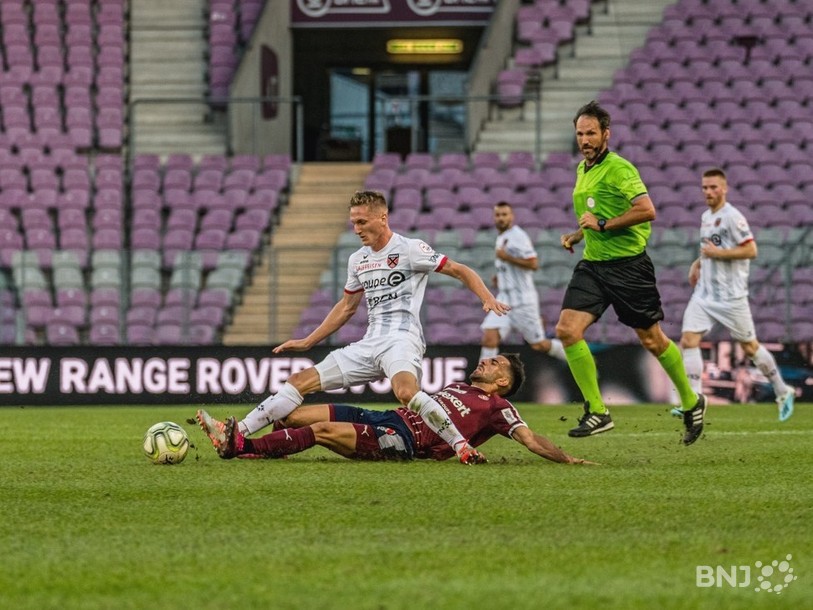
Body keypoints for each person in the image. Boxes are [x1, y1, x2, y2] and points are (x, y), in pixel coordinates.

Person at [198, 190, 511, 465]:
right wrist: (309, 340)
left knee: (406, 392)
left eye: (362, 222)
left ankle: (461, 446)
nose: (356, 229)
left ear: (382, 217)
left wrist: (486, 297)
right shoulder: (358, 259)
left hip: (401, 340)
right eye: (353, 222)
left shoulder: (410, 249)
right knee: (298, 381)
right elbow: (347, 307)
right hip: (369, 343)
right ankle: (236, 434)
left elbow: (460, 270)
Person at [556, 100, 706, 445]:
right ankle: (597, 410)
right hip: (594, 265)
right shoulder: (583, 169)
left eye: (591, 133)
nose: (585, 140)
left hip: (628, 268)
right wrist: (579, 234)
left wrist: (603, 224)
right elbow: (596, 215)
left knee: (651, 339)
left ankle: (691, 400)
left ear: (606, 134)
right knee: (567, 329)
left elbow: (647, 210)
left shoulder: (621, 168)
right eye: (580, 134)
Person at [196, 353, 595, 465]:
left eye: (495, 364)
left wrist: (567, 458)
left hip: (401, 440)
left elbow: (529, 439)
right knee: (294, 416)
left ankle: (241, 446)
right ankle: (250, 436)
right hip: (387, 417)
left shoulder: (498, 407)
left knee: (318, 433)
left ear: (504, 381)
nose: (486, 362)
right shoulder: (459, 385)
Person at [677, 168, 795, 421]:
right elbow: (709, 248)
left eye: (713, 187)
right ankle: (695, 400)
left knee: (750, 347)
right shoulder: (706, 216)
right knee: (688, 340)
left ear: (724, 188)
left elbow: (751, 250)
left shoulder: (733, 217)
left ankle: (782, 390)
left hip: (731, 298)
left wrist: (718, 255)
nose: (708, 192)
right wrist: (697, 264)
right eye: (705, 187)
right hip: (705, 294)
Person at [479, 201, 566, 364]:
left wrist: (507, 258)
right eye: (498, 215)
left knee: (539, 344)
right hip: (504, 298)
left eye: (504, 215)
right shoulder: (502, 238)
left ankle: (574, 357)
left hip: (523, 300)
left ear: (512, 217)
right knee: (489, 338)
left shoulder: (518, 236)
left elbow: (533, 263)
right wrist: (500, 277)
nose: (501, 218)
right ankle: (483, 385)